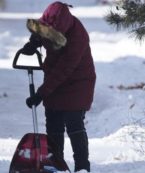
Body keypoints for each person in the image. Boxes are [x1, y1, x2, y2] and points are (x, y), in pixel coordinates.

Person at [21, 2, 96, 172]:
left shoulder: (78, 36)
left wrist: (40, 93)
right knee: (53, 123)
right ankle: (56, 164)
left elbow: (64, 70)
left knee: (74, 123)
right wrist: (34, 42)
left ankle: (82, 167)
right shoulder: (49, 21)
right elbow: (41, 30)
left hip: (78, 82)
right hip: (55, 79)